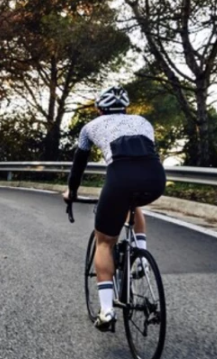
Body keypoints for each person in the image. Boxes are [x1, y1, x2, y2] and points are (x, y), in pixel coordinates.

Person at [64, 85, 166, 331]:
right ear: (126, 108)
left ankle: (107, 310)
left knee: (104, 242)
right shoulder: (143, 121)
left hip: (120, 179)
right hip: (155, 179)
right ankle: (141, 257)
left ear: (100, 109)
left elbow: (78, 166)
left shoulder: (89, 128)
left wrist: (72, 193)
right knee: (134, 203)